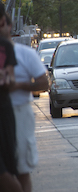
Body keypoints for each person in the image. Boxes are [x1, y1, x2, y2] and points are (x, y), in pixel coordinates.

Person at [0, 16, 48, 192]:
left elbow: (44, 83)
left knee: (21, 168)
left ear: (8, 26)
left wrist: (18, 86)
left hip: (19, 112)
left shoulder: (24, 53)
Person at [0, 3, 22, 192]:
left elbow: (11, 81)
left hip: (3, 112)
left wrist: (6, 79)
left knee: (6, 169)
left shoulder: (5, 47)